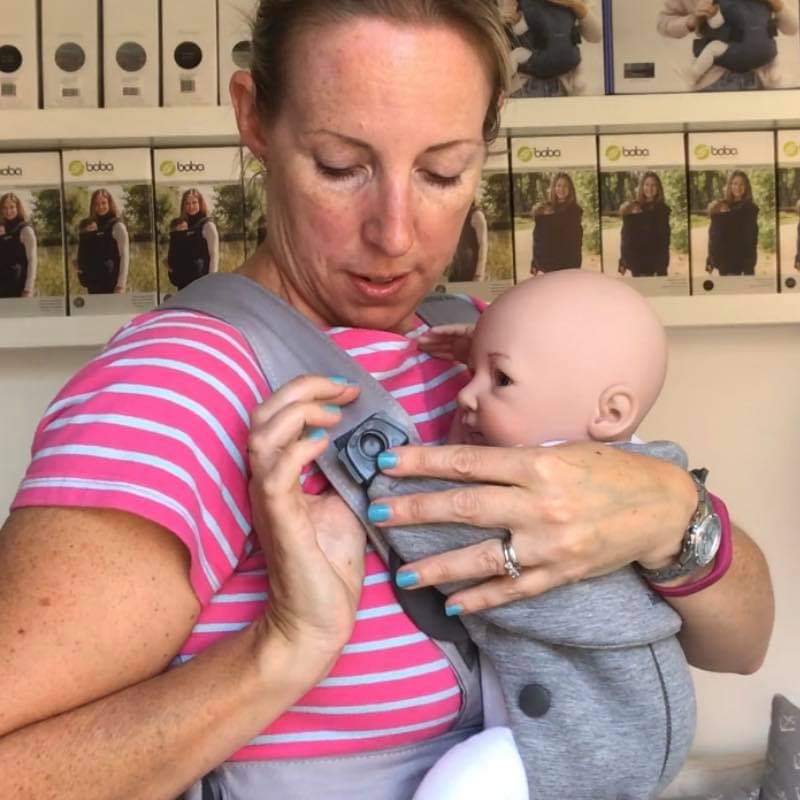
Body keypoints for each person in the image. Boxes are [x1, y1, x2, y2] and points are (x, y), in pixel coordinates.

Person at [0, 3, 774, 800]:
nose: (396, 235)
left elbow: (740, 644)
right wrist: (282, 649)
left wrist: (674, 516)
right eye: (341, 165)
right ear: (254, 118)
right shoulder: (177, 388)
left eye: (442, 172)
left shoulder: (477, 342)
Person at [381, 269, 697, 799]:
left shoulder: (537, 499)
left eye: (500, 380)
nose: (465, 394)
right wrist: (497, 362)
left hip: (577, 739)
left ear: (610, 413)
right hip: (647, 723)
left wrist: (368, 480)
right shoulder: (642, 469)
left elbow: (433, 525)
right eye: (471, 371)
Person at [657, 0, 798, 91]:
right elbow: (663, 24)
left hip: (762, 81)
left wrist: (778, 5)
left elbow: (793, 28)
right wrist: (692, 21)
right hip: (712, 83)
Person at [504, 0, 602, 96]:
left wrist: (576, 5)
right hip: (522, 84)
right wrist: (511, 20)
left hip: (566, 84)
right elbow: (502, 34)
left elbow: (596, 36)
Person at [75, 188, 129, 295]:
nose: (100, 207)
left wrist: (120, 285)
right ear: (92, 206)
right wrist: (78, 266)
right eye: (96, 204)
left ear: (110, 203)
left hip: (112, 286)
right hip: (93, 285)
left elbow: (124, 256)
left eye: (103, 203)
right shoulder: (90, 226)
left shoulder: (118, 226)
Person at [619, 171, 671, 278]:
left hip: (657, 264)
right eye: (646, 184)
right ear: (642, 187)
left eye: (653, 185)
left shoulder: (663, 210)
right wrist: (623, 261)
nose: (650, 188)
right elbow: (626, 237)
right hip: (638, 263)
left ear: (658, 188)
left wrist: (661, 266)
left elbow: (665, 240)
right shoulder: (634, 207)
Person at [706, 170, 759, 276]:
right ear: (730, 185)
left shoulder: (750, 208)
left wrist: (749, 266)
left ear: (746, 187)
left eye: (742, 184)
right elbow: (713, 235)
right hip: (724, 262)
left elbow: (751, 238)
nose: (738, 187)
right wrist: (709, 260)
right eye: (734, 183)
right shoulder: (722, 205)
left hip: (740, 263)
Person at [166, 188, 220, 290]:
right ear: (183, 205)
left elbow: (214, 255)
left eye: (194, 202)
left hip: (201, 284)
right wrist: (170, 266)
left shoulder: (208, 225)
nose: (191, 206)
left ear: (200, 203)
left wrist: (211, 282)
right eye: (187, 203)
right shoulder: (182, 225)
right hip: (183, 284)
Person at [531, 172, 583, 274]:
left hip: (567, 265)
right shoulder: (544, 209)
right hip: (545, 266)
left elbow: (575, 242)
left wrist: (575, 266)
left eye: (565, 186)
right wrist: (534, 263)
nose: (561, 189)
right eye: (558, 185)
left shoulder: (575, 211)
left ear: (570, 189)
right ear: (554, 188)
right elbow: (537, 238)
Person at [0, 192, 37, 298]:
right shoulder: (2, 228)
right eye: (4, 208)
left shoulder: (26, 229)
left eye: (12, 207)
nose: (8, 211)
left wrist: (28, 289)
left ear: (18, 208)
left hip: (18, 286)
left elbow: (32, 261)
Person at [448, 200, 489, 282]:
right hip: (457, 270)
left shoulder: (477, 215)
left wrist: (479, 274)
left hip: (472, 270)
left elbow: (483, 245)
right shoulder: (457, 215)